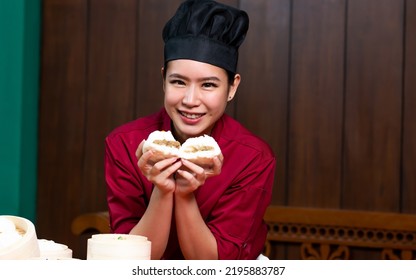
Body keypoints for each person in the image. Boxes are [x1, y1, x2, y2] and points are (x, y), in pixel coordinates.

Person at [105, 0, 276, 260]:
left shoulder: (253, 158)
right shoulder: (124, 144)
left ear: (232, 88)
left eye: (208, 85)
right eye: (178, 82)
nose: (190, 100)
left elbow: (213, 267)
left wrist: (185, 195)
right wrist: (162, 191)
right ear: (163, 79)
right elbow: (133, 261)